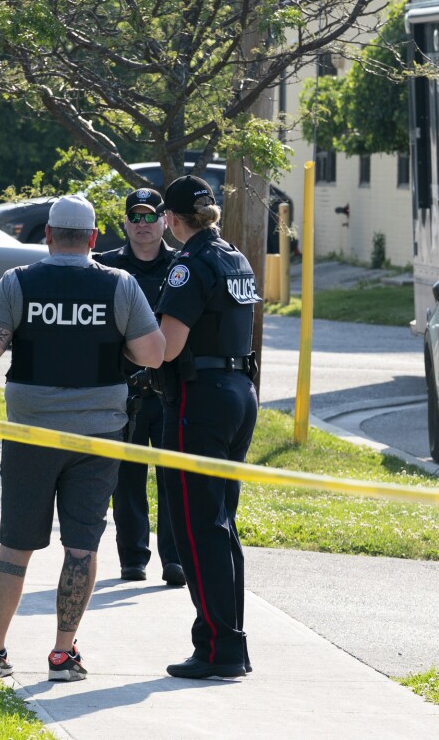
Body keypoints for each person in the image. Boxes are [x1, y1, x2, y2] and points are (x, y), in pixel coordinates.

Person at [0, 195, 165, 682]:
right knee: (82, 545)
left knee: (16, 544)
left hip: (30, 435)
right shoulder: (119, 284)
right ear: (95, 239)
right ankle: (62, 654)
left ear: (48, 236)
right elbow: (154, 354)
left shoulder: (19, 282)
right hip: (97, 437)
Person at [153, 174, 262, 680]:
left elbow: (167, 348)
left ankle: (220, 649)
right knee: (220, 524)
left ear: (171, 220)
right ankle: (226, 640)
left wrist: (128, 349)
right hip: (240, 393)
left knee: (197, 529)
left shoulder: (188, 266)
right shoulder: (233, 256)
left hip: (202, 400)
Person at [94, 187, 186, 587]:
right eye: (136, 217)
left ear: (166, 221)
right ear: (125, 223)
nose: (144, 224)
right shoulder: (105, 268)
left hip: (171, 390)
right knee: (126, 481)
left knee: (172, 479)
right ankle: (133, 559)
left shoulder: (184, 265)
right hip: (125, 390)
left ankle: (175, 560)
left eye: (152, 217)